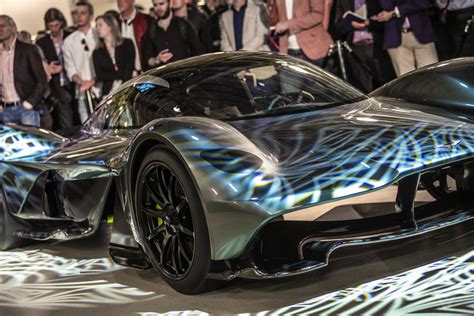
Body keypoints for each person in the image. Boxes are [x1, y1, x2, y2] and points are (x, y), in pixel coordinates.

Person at [334, 0, 394, 92]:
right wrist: (350, 24)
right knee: (360, 89)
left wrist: (369, 23)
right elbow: (337, 25)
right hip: (354, 49)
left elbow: (390, 20)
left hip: (376, 47)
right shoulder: (343, 2)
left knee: (385, 86)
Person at [0, 15, 47, 127]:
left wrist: (30, 102)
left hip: (26, 109)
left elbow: (42, 80)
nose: (0, 29)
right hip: (5, 111)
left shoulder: (28, 50)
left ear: (14, 28)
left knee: (32, 143)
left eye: (3, 25)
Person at [373, 0, 438, 76]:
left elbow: (422, 3)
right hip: (395, 37)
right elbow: (386, 5)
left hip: (422, 33)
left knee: (431, 76)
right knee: (406, 80)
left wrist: (395, 12)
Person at [36, 8, 74, 130]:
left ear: (62, 23)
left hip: (74, 82)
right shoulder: (42, 42)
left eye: (56, 25)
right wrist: (48, 68)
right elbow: (41, 66)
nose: (54, 28)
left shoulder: (71, 36)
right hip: (56, 86)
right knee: (66, 119)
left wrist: (63, 67)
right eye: (51, 26)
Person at [266, 0, 334, 66]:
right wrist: (270, 3)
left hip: (313, 48)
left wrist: (289, 24)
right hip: (288, 49)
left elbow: (317, 15)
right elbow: (273, 21)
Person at [63, 1, 99, 123]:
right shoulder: (68, 41)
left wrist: (93, 81)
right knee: (88, 132)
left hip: (104, 89)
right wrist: (82, 82)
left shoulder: (98, 34)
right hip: (82, 93)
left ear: (90, 16)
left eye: (83, 13)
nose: (79, 16)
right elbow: (70, 70)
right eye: (76, 13)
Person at [142, 0, 204, 70]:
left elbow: (198, 52)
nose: (158, 8)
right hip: (163, 77)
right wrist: (157, 60)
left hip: (184, 75)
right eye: (155, 5)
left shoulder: (183, 25)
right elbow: (147, 60)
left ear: (170, 4)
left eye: (161, 4)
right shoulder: (151, 30)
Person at [93, 14, 135, 96]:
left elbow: (129, 69)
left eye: (100, 25)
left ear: (110, 26)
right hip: (108, 92)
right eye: (96, 25)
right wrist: (120, 75)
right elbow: (100, 75)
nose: (97, 28)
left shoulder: (127, 44)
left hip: (127, 89)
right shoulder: (97, 52)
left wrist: (119, 79)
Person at [117, 0, 154, 75]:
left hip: (145, 72)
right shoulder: (115, 23)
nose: (120, 2)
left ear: (133, 1)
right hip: (124, 75)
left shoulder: (146, 20)